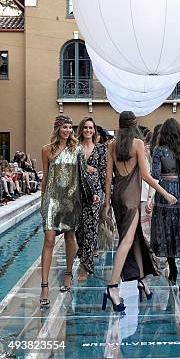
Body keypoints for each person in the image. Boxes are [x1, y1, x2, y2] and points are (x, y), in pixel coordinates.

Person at [102, 111, 176, 312]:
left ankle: (141, 279)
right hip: (132, 196)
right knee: (126, 241)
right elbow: (145, 175)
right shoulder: (138, 144)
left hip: (117, 195)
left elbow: (108, 178)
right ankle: (112, 286)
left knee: (135, 238)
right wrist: (165, 194)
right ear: (134, 125)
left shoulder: (111, 145)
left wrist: (107, 204)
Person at [39, 115, 94, 307]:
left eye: (70, 127)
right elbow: (45, 178)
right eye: (65, 127)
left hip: (72, 200)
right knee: (49, 240)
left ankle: (68, 274)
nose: (68, 130)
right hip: (52, 200)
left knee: (71, 238)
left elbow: (82, 172)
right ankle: (45, 286)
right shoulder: (47, 150)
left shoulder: (76, 148)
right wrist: (42, 202)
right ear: (57, 129)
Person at [149, 118, 180, 292]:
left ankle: (173, 269)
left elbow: (155, 175)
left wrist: (150, 197)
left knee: (167, 231)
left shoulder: (159, 151)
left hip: (166, 192)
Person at [75, 117, 107, 281]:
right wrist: (85, 167)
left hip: (95, 193)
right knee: (79, 230)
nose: (88, 130)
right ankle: (83, 255)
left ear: (94, 131)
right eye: (86, 128)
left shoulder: (101, 149)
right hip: (77, 192)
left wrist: (105, 194)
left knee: (91, 229)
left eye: (91, 128)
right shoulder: (74, 148)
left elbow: (103, 173)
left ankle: (85, 266)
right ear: (81, 129)